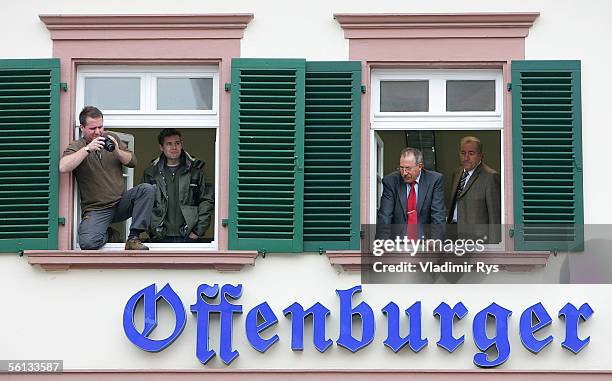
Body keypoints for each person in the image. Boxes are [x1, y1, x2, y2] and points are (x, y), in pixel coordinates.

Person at [59, 106, 155, 250]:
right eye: (93, 128)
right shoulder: (78, 145)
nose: (98, 132)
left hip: (121, 203)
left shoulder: (111, 138)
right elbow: (63, 166)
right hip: (97, 209)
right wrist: (87, 149)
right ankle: (109, 234)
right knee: (87, 243)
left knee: (147, 189)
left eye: (100, 127)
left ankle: (133, 238)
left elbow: (132, 161)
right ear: (82, 128)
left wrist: (117, 151)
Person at [142, 128, 214, 243]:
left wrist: (197, 231)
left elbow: (207, 200)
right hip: (160, 237)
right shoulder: (151, 173)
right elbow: (143, 204)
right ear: (161, 147)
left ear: (182, 144)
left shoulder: (195, 171)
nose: (174, 147)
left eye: (177, 143)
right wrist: (151, 230)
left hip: (189, 236)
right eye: (169, 144)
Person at [376, 147, 446, 240]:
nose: (404, 173)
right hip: (398, 242)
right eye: (401, 168)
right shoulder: (390, 181)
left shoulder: (434, 180)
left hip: (426, 242)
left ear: (420, 166)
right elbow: (385, 216)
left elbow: (438, 214)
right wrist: (382, 242)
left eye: (408, 168)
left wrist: (436, 241)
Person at [446, 136, 501, 243]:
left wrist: (495, 248)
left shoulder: (491, 177)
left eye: (471, 153)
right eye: (463, 153)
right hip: (454, 234)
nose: (466, 158)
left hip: (477, 240)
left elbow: (495, 219)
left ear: (481, 156)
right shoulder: (457, 173)